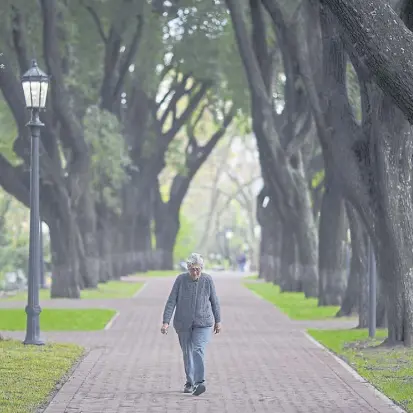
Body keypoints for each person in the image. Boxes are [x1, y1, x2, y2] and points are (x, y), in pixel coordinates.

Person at [161, 253, 221, 396]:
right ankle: (190, 382)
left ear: (202, 268)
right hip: (183, 323)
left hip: (203, 322)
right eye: (192, 269)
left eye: (197, 269)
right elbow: (171, 301)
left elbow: (214, 301)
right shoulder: (181, 280)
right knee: (187, 353)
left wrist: (218, 321)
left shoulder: (207, 280)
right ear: (188, 268)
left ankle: (200, 383)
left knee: (197, 349)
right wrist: (165, 322)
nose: (195, 272)